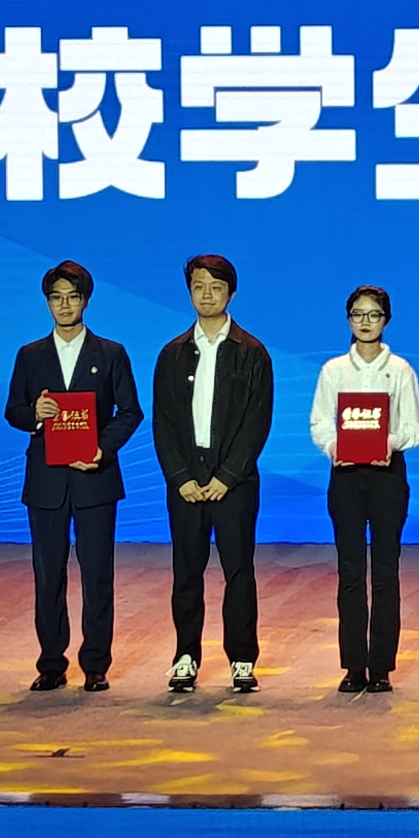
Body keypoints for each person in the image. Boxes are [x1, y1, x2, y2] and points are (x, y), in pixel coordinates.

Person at [1, 259, 142, 693]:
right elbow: (13, 411)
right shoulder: (30, 355)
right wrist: (35, 414)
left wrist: (102, 448)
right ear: (47, 303)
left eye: (72, 297)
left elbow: (130, 412)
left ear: (86, 301)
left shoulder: (111, 353)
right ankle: (51, 664)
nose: (64, 305)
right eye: (56, 298)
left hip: (95, 478)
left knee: (97, 574)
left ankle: (96, 664)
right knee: (48, 576)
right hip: (46, 481)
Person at [152, 253, 273, 693]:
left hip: (233, 483)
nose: (207, 295)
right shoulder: (172, 354)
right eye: (199, 287)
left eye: (216, 287)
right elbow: (163, 423)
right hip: (186, 482)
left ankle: (242, 658)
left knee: (238, 572)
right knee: (186, 572)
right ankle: (185, 656)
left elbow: (257, 423)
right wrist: (180, 477)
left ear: (231, 293)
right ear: (189, 292)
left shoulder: (252, 352)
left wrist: (227, 477)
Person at [309, 285, 419, 693]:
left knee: (386, 573)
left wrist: (385, 443)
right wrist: (335, 447)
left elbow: (414, 428)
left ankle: (381, 668)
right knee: (350, 572)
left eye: (374, 314)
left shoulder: (401, 370)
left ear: (386, 320)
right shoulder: (334, 371)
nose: (365, 322)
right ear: (348, 319)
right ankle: (354, 666)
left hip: (387, 476)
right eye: (358, 314)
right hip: (345, 478)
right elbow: (320, 423)